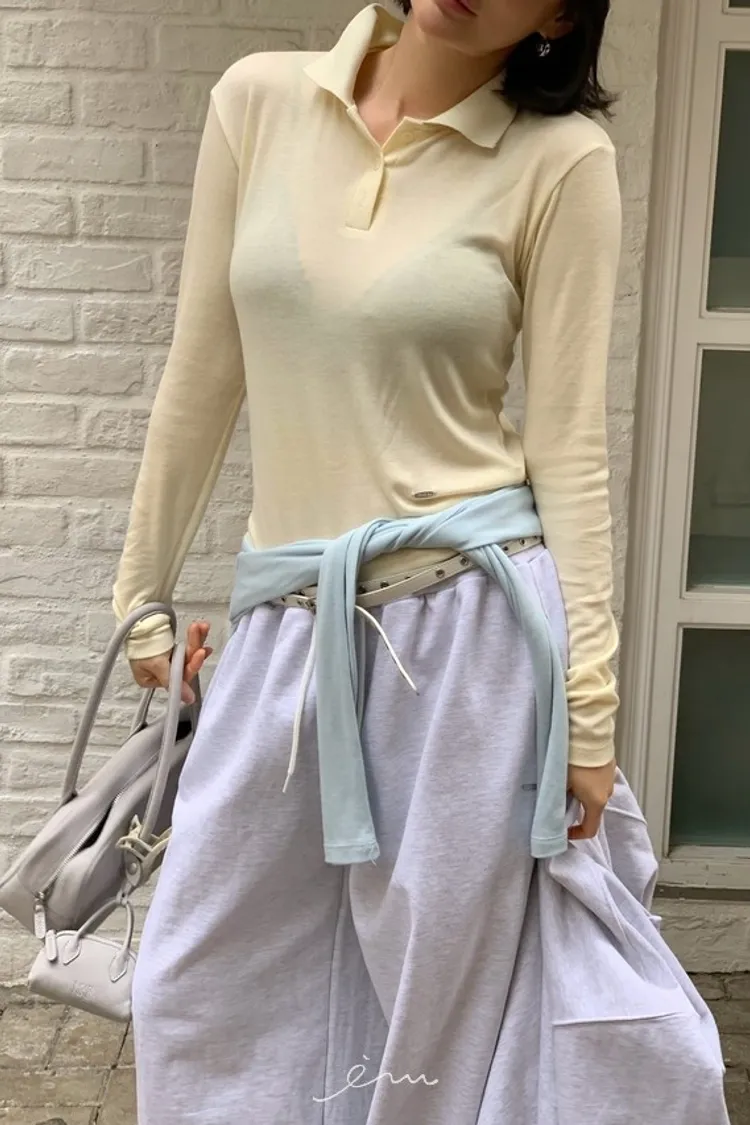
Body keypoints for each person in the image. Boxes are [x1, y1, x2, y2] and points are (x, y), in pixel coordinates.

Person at [111, 3, 730, 1123]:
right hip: (287, 622)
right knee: (195, 983)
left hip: (469, 635)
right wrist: (139, 595)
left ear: (559, 13)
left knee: (436, 1010)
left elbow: (570, 447)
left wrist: (590, 714)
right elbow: (201, 371)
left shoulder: (560, 159)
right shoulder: (258, 100)